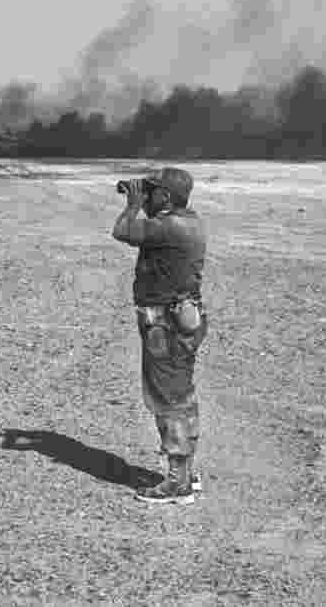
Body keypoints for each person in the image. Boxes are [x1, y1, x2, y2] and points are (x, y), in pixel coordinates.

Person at [112, 167, 208, 504]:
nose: (148, 195)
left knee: (167, 400)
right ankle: (185, 473)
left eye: (154, 191)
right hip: (181, 318)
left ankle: (176, 484)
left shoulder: (168, 226)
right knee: (181, 396)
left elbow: (122, 230)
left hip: (164, 324)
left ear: (166, 196)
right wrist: (145, 199)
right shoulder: (188, 220)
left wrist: (133, 204)